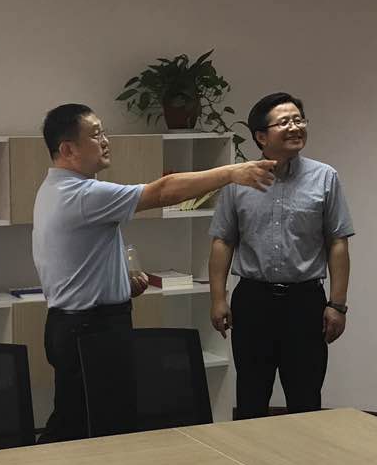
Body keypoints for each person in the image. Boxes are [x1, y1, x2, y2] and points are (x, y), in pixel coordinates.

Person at [32, 103, 276, 442]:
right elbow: (161, 191)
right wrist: (232, 173)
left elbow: (77, 261)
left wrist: (119, 283)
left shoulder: (54, 189)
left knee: (80, 419)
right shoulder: (82, 194)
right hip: (90, 328)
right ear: (68, 149)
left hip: (73, 322)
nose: (106, 141)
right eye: (96, 135)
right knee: (96, 428)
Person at [207, 92, 354, 418]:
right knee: (251, 395)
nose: (295, 127)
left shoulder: (325, 177)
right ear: (261, 136)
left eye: (299, 120)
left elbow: (337, 242)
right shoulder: (237, 180)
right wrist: (218, 298)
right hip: (253, 300)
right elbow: (223, 241)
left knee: (305, 397)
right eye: (284, 122)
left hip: (305, 302)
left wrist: (337, 304)